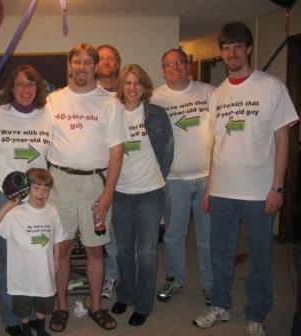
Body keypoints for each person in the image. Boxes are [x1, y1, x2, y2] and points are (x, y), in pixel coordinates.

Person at [192, 22, 299, 336]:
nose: (232, 53)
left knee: (261, 257)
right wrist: (210, 187)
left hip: (258, 192)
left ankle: (255, 314)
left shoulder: (271, 86)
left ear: (249, 48)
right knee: (220, 254)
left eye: (238, 46)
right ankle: (221, 306)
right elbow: (217, 144)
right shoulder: (219, 93)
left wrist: (277, 187)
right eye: (226, 48)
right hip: (223, 190)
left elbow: (283, 140)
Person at [46, 43, 126, 332]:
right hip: (60, 182)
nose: (81, 67)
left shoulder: (109, 103)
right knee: (62, 247)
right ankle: (62, 307)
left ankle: (96, 307)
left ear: (95, 66)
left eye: (87, 62)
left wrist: (108, 193)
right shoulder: (53, 100)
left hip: (95, 182)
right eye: (76, 62)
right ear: (70, 66)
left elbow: (117, 151)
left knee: (95, 249)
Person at [0, 65, 52, 336]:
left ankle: (35, 316)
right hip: (3, 199)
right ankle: (13, 321)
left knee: (37, 258)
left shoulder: (48, 116)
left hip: (35, 199)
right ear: (11, 88)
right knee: (10, 264)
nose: (26, 90)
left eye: (31, 85)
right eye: (21, 85)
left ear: (38, 88)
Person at [109, 64, 173, 326]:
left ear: (144, 87)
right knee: (123, 250)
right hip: (120, 193)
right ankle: (125, 294)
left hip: (149, 192)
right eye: (127, 83)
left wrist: (157, 178)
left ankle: (144, 304)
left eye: (137, 83)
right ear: (121, 87)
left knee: (146, 252)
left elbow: (167, 149)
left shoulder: (156, 114)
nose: (132, 88)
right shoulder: (112, 114)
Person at [151, 48, 214, 305]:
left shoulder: (209, 92)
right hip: (173, 180)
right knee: (173, 235)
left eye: (179, 62)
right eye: (169, 64)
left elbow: (222, 133)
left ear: (189, 65)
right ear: (163, 69)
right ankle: (175, 279)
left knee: (207, 237)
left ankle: (211, 285)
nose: (175, 67)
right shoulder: (154, 98)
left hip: (208, 179)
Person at [0, 168, 66, 336]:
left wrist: (57, 259)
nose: (41, 193)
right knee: (22, 307)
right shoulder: (16, 213)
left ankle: (40, 329)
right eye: (36, 188)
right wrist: (9, 204)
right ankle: (25, 330)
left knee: (43, 303)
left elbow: (57, 237)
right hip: (21, 272)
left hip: (44, 271)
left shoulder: (52, 211)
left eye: (46, 189)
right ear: (27, 189)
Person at [96, 44, 122, 300]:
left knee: (126, 233)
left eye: (110, 59)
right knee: (107, 231)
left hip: (132, 177)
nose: (105, 62)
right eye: (101, 58)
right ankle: (111, 276)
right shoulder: (88, 95)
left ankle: (118, 275)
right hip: (100, 176)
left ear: (118, 64)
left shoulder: (129, 93)